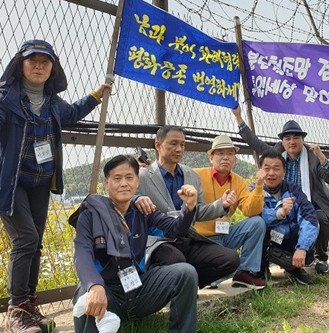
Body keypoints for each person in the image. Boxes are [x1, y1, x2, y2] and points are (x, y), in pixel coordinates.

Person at [0, 39, 111, 333]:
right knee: (25, 240)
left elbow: (71, 113)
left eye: (45, 62)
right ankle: (16, 311)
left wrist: (95, 96)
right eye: (32, 60)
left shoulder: (52, 102)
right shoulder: (5, 97)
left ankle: (29, 307)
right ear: (20, 65)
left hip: (40, 183)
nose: (39, 66)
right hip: (8, 184)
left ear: (52, 69)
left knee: (35, 243)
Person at [71, 155, 198, 333]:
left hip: (137, 289)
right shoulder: (91, 215)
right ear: (106, 183)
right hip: (108, 292)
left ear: (137, 181)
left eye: (129, 178)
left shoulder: (142, 210)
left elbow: (175, 230)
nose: (124, 183)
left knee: (186, 272)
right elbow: (82, 253)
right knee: (86, 292)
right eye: (117, 178)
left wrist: (189, 207)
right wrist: (95, 285)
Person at [232, 105, 329, 274]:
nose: (292, 141)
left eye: (296, 137)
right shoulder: (276, 154)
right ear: (282, 141)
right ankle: (263, 265)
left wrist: (321, 157)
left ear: (302, 139)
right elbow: (255, 142)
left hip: (308, 202)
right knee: (264, 222)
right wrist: (239, 118)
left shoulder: (312, 156)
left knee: (319, 218)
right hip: (280, 202)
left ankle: (320, 258)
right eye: (287, 138)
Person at [135, 126, 240, 289]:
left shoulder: (191, 175)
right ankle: (163, 285)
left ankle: (189, 284)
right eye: (173, 144)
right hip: (159, 241)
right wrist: (137, 198)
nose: (179, 149)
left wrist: (222, 204)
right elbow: (125, 201)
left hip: (187, 238)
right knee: (175, 259)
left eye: (182, 145)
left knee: (230, 259)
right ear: (158, 145)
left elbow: (198, 213)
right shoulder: (141, 176)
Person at [193, 135, 267, 290]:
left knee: (257, 223)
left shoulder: (239, 181)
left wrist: (259, 185)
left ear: (235, 159)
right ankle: (207, 277)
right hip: (202, 240)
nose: (225, 157)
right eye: (220, 153)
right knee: (228, 266)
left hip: (225, 236)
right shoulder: (196, 175)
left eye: (230, 153)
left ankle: (245, 272)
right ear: (211, 158)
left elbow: (250, 210)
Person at [256, 150, 319, 285]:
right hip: (268, 241)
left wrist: (302, 247)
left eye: (276, 168)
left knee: (307, 244)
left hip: (290, 240)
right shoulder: (254, 191)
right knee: (257, 226)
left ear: (284, 172)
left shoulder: (293, 190)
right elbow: (257, 216)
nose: (271, 173)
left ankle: (294, 264)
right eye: (266, 169)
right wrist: (280, 213)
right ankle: (262, 268)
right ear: (259, 171)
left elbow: (310, 217)